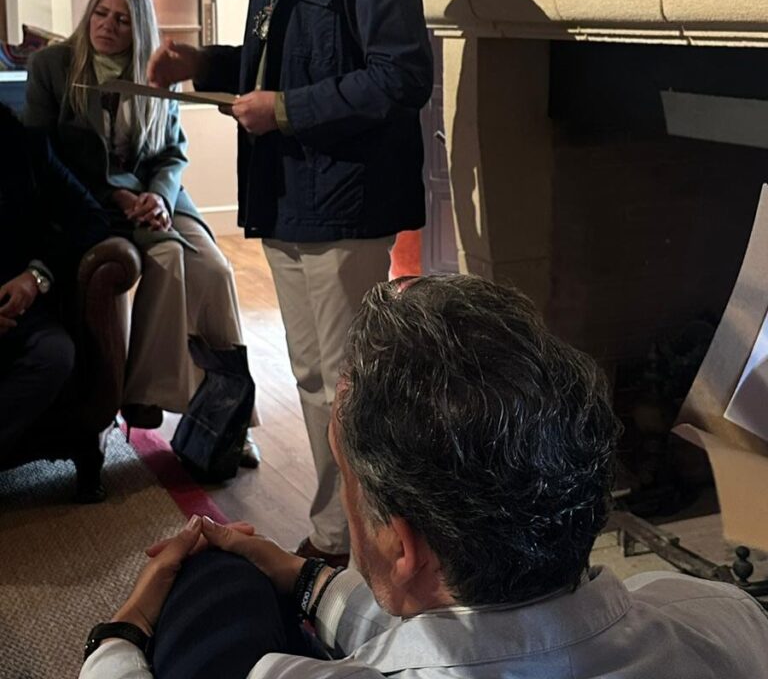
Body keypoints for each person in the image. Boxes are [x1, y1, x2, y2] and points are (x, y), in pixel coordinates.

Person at [80, 274, 768, 679]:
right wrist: (304, 577)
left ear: (400, 543)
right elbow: (480, 628)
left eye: (348, 479)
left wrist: (125, 629)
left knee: (211, 577)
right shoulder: (721, 620)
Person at [147, 0, 433, 563]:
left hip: (345, 198)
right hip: (288, 192)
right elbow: (287, 61)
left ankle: (364, 546)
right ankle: (343, 535)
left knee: (344, 384)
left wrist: (286, 111)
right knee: (315, 379)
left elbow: (402, 76)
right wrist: (204, 62)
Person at [23, 0, 259, 466]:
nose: (107, 26)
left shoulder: (154, 74)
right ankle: (144, 395)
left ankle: (233, 417)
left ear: (140, 29)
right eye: (100, 13)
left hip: (157, 195)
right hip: (92, 201)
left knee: (217, 271)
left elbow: (172, 151)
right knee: (168, 255)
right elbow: (43, 156)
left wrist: (160, 197)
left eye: (122, 20)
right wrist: (118, 194)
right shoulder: (53, 66)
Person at [0, 101, 108, 459]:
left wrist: (35, 275)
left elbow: (92, 218)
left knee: (55, 353)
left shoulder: (27, 147)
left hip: (18, 307)